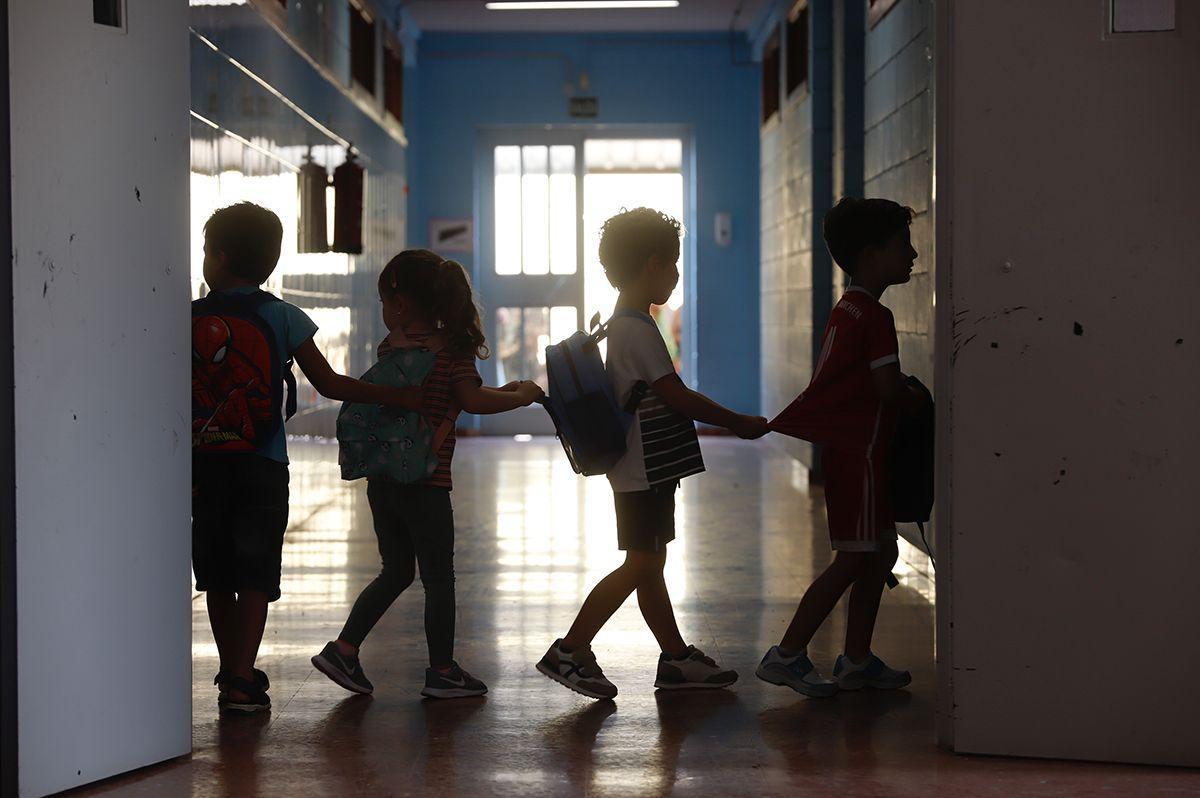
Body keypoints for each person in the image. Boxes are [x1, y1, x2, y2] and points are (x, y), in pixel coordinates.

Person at [193, 202, 423, 715]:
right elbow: (331, 384)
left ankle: (232, 672)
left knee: (216, 574)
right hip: (263, 464)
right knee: (255, 573)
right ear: (270, 261)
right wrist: (403, 397)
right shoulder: (283, 316)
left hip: (204, 464)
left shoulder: (189, 317)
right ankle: (241, 676)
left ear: (220, 257)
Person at [538, 208, 769, 700]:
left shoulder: (629, 324)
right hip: (642, 469)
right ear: (652, 264)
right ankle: (570, 649)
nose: (676, 275)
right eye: (673, 264)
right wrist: (737, 421)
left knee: (651, 563)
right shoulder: (636, 330)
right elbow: (677, 395)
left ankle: (676, 658)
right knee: (641, 564)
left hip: (646, 468)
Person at [312, 249, 543, 699]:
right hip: (427, 483)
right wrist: (520, 397)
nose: (382, 312)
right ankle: (441, 670)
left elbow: (464, 395)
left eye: (382, 302)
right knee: (439, 578)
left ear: (401, 307)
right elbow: (471, 401)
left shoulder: (390, 351)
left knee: (395, 570)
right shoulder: (453, 353)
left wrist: (507, 392)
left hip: (384, 483)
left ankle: (344, 648)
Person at [758, 197, 924, 698]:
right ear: (871, 255)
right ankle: (786, 655)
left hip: (853, 452)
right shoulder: (874, 316)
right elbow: (889, 389)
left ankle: (856, 660)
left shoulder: (846, 308)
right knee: (854, 559)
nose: (913, 254)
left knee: (877, 554)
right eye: (902, 245)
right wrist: (920, 396)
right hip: (860, 456)